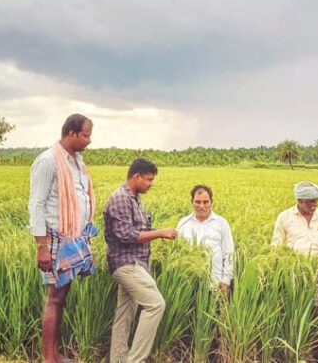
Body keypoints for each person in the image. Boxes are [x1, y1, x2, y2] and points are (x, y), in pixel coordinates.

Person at [28, 114, 97, 363]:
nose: (89, 141)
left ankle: (55, 354)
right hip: (55, 242)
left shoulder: (76, 162)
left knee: (62, 297)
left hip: (73, 240)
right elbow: (36, 205)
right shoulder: (48, 161)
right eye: (86, 135)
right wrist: (41, 247)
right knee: (55, 298)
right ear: (71, 133)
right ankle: (49, 358)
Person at [104, 158, 177, 363]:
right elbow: (126, 235)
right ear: (136, 176)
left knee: (125, 314)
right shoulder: (121, 198)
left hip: (135, 263)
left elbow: (138, 230)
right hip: (127, 264)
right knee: (156, 305)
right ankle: (136, 360)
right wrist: (160, 233)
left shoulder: (134, 198)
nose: (151, 184)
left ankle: (118, 360)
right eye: (149, 179)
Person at [271, 181, 318, 363]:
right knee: (294, 319)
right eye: (309, 201)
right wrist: (280, 277)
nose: (314, 205)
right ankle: (293, 357)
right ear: (299, 200)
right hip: (295, 279)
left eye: (316, 200)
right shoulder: (285, 217)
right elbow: (276, 248)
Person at [176, 184, 236, 297]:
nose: (201, 206)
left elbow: (229, 253)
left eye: (205, 202)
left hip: (215, 285)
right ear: (191, 201)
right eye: (197, 202)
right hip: (188, 285)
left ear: (211, 202)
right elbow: (178, 254)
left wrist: (226, 280)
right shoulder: (183, 223)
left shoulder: (221, 223)